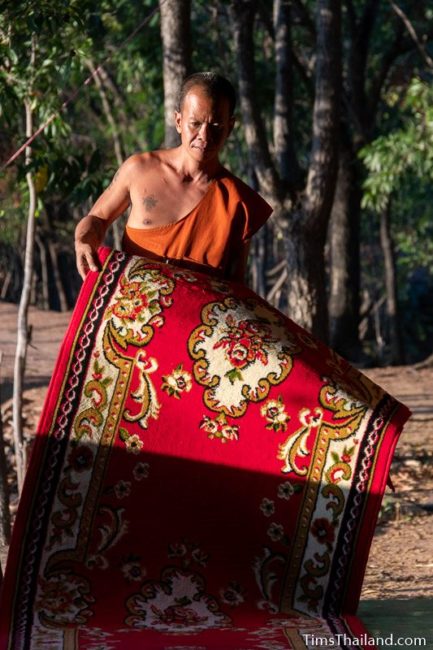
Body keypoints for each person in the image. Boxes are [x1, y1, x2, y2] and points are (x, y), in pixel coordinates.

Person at [74, 72, 273, 282]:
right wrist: (83, 240)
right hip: (131, 309)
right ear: (178, 121)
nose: (204, 136)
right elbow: (98, 219)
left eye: (216, 126)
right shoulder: (139, 170)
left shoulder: (237, 202)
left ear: (230, 127)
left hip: (194, 313)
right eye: (195, 124)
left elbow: (235, 286)